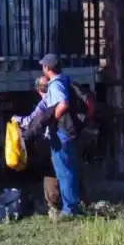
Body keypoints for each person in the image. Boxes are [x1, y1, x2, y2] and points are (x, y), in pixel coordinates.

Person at [37, 53, 83, 218]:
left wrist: (52, 119)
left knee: (64, 171)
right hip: (68, 130)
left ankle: (69, 209)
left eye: (43, 65)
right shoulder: (65, 79)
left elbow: (63, 103)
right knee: (69, 169)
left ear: (47, 67)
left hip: (61, 131)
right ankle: (73, 204)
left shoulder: (55, 84)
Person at [13, 76, 63, 218]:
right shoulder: (55, 98)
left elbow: (31, 121)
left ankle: (52, 203)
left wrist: (17, 119)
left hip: (49, 140)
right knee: (63, 170)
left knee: (49, 170)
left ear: (37, 89)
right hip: (61, 137)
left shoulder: (44, 102)